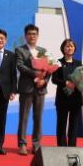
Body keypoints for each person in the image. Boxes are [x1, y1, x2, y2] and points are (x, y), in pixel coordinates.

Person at [15, 24, 49, 155]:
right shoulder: (20, 50)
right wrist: (36, 74)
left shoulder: (43, 51)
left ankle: (36, 144)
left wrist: (44, 81)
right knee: (23, 117)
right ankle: (22, 144)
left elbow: (49, 69)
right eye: (29, 34)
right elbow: (20, 66)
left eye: (34, 34)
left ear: (37, 36)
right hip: (26, 88)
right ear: (25, 36)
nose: (32, 36)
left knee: (38, 118)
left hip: (40, 89)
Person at [51, 38, 83, 147]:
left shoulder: (79, 63)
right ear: (63, 48)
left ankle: (72, 146)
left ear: (74, 49)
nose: (69, 48)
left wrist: (82, 81)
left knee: (74, 124)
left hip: (76, 97)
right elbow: (54, 79)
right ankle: (61, 146)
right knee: (62, 123)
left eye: (72, 46)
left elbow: (82, 79)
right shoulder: (57, 62)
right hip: (62, 98)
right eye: (67, 46)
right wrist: (65, 83)